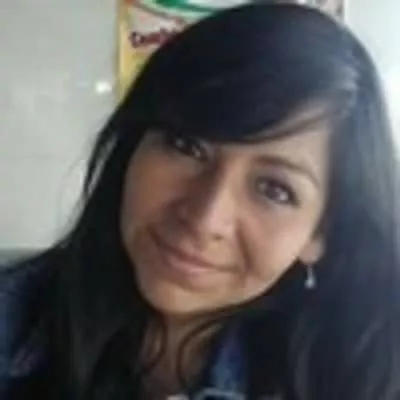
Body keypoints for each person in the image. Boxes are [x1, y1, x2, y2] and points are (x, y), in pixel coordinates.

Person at [1, 3, 399, 400]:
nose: (206, 218)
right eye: (185, 146)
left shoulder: (366, 378)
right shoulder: (15, 321)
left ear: (321, 233)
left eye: (274, 189)